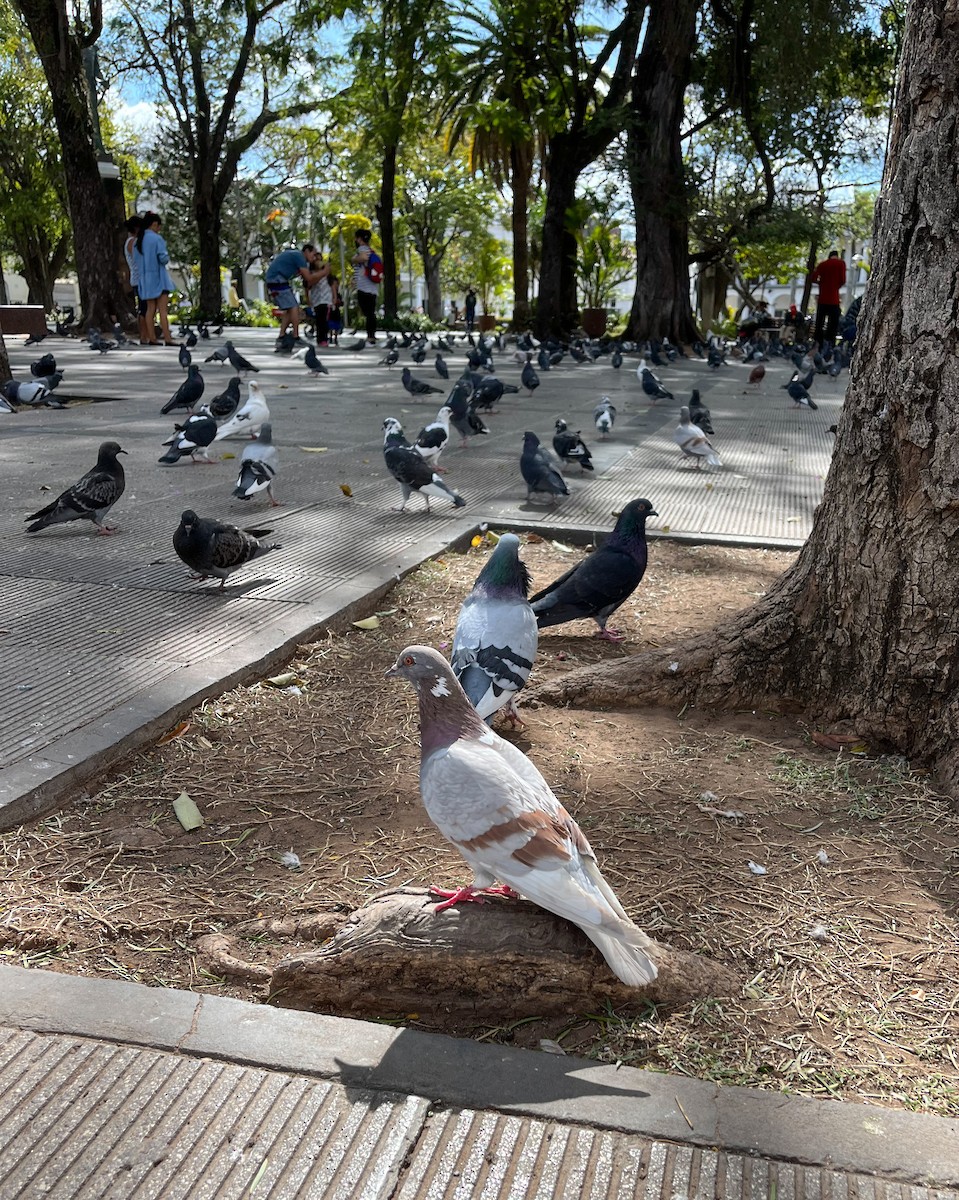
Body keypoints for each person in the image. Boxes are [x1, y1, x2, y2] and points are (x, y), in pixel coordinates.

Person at [265, 243, 327, 343]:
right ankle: (295, 336)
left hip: (276, 280)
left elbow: (309, 282)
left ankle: (281, 336)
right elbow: (309, 278)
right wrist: (324, 272)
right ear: (306, 251)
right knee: (294, 307)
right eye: (313, 254)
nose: (314, 258)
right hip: (277, 280)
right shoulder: (299, 257)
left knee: (290, 309)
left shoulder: (299, 258)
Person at [133, 212, 176, 346]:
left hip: (145, 279)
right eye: (158, 226)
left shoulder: (137, 241)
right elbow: (163, 258)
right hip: (159, 277)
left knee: (149, 309)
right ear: (154, 224)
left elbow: (136, 261)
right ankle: (168, 338)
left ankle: (152, 338)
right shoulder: (157, 239)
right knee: (163, 310)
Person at [810, 250, 847, 348]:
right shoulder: (841, 264)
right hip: (834, 299)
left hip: (822, 299)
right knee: (833, 324)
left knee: (819, 324)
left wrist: (821, 283)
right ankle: (830, 344)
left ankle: (818, 344)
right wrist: (836, 286)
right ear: (837, 256)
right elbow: (843, 280)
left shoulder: (822, 264)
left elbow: (813, 278)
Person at [122, 215, 149, 345]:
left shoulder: (131, 241)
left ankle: (144, 334)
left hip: (138, 278)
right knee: (143, 308)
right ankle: (144, 335)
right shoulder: (132, 242)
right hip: (139, 279)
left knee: (144, 307)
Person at [351, 229, 380, 345]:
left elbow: (363, 258)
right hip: (372, 287)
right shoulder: (371, 250)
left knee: (368, 313)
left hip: (364, 286)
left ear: (359, 239)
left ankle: (371, 336)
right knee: (370, 313)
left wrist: (353, 259)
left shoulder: (362, 249)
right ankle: (371, 335)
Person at [307, 253, 334, 347]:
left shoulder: (327, 274)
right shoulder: (311, 274)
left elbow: (333, 286)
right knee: (318, 320)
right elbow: (308, 286)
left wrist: (334, 298)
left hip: (326, 300)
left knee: (324, 320)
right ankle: (319, 338)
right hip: (316, 300)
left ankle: (324, 339)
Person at [327, 277, 343, 345]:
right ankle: (330, 337)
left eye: (337, 284)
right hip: (331, 311)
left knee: (336, 325)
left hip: (336, 311)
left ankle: (335, 338)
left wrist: (339, 302)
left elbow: (341, 303)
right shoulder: (329, 294)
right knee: (330, 325)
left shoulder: (338, 294)